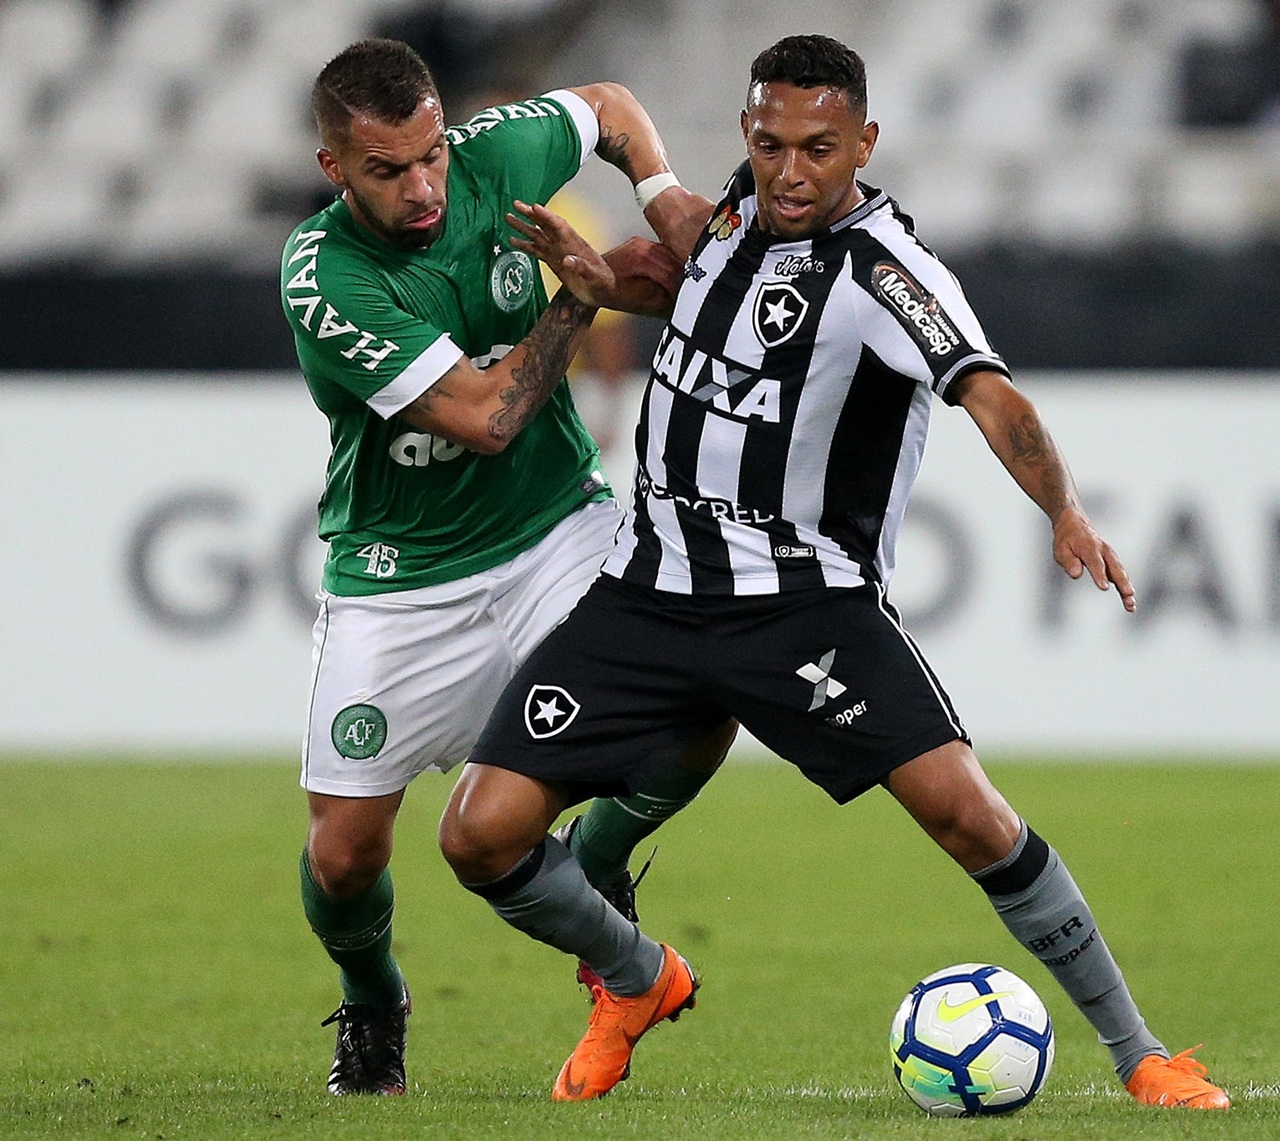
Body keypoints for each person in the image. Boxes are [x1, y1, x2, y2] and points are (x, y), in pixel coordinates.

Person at [437, 33, 1232, 1110]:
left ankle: (1142, 1053)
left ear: (863, 141)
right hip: (648, 592)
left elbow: (992, 397)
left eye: (819, 148)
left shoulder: (881, 269)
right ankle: (635, 976)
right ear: (746, 137)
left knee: (971, 818)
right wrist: (599, 284)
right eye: (770, 144)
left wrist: (1064, 509)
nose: (791, 171)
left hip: (804, 607)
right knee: (477, 837)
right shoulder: (728, 214)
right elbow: (687, 300)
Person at [280, 38, 730, 1097]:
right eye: (387, 170)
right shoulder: (324, 274)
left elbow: (613, 104)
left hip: (554, 531)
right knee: (344, 857)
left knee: (706, 691)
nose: (423, 186)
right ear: (334, 168)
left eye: (430, 154)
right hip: (402, 578)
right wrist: (582, 297)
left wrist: (660, 194)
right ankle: (373, 996)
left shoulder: (491, 157)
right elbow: (485, 418)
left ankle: (601, 866)